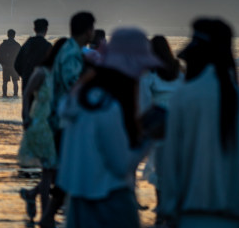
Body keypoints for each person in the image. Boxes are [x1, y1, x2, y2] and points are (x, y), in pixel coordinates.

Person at [161, 18, 239, 228]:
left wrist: (168, 211)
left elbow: (170, 164)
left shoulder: (183, 98)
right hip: (234, 219)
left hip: (188, 217)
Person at [57, 27, 162, 228]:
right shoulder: (108, 107)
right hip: (110, 200)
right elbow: (121, 166)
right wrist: (149, 137)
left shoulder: (79, 97)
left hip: (77, 202)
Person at [40, 10, 96, 228]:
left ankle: (51, 216)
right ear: (87, 30)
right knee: (69, 170)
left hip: (62, 119)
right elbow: (74, 84)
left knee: (66, 170)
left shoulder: (69, 50)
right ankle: (54, 217)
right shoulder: (72, 54)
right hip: (66, 122)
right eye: (92, 28)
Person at [18, 37, 68, 221]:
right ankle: (46, 215)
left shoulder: (66, 73)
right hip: (42, 125)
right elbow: (27, 92)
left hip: (61, 125)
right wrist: (25, 115)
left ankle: (32, 195)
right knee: (49, 170)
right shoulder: (42, 72)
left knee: (57, 171)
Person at [139, 35, 183, 224]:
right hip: (178, 122)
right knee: (174, 165)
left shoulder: (150, 73)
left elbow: (144, 100)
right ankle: (172, 205)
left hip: (157, 122)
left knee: (158, 165)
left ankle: (162, 203)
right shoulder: (178, 70)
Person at [14, 18, 52, 91]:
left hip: (27, 83)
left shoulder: (27, 44)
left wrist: (25, 75)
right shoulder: (48, 46)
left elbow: (16, 64)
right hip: (42, 85)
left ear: (34, 29)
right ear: (46, 29)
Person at [0, 29, 22, 97]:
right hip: (14, 66)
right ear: (14, 35)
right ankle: (15, 95)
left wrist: (2, 64)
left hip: (5, 66)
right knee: (15, 82)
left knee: (5, 82)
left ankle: (4, 95)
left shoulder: (3, 44)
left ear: (7, 35)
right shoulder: (17, 45)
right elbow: (21, 56)